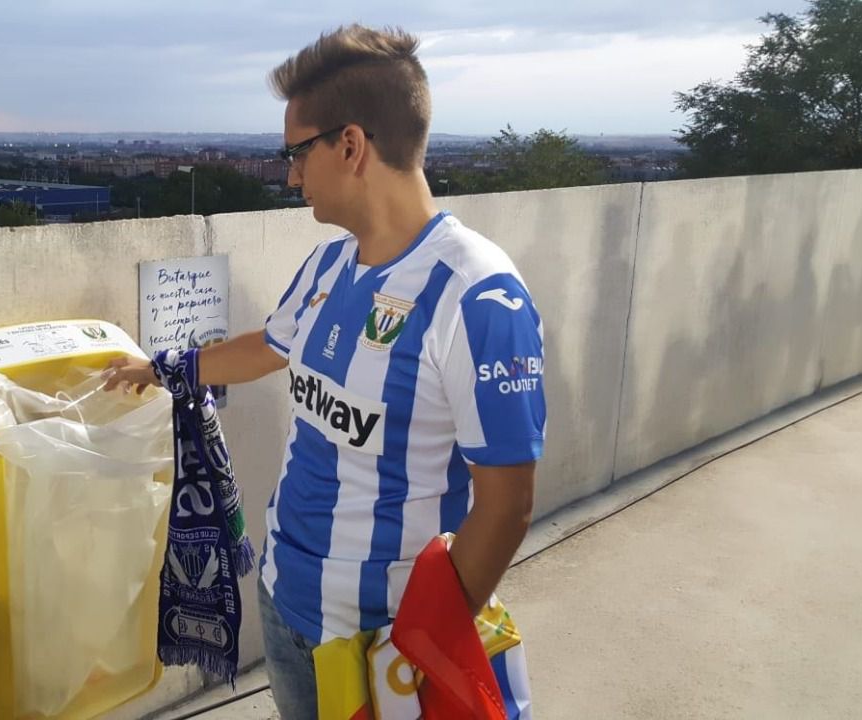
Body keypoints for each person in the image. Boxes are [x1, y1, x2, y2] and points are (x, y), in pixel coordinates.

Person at [105, 24, 546, 719]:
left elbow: (507, 504)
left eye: (296, 153)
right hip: (285, 602)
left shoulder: (477, 294)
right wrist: (162, 369)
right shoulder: (328, 265)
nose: (290, 176)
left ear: (350, 146)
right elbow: (268, 346)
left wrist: (424, 649)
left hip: (386, 639)